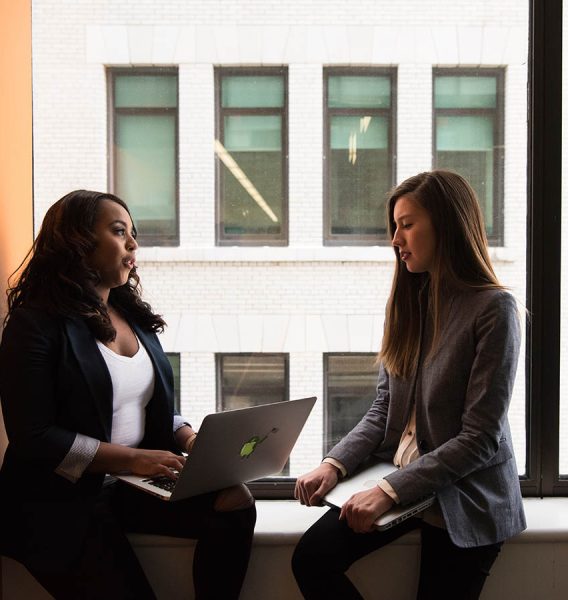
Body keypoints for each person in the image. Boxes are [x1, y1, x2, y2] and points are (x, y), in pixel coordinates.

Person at [0, 190, 256, 600]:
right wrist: (134, 458)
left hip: (124, 485)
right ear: (77, 241)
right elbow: (34, 436)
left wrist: (188, 436)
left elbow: (134, 405)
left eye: (132, 233)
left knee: (234, 501)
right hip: (56, 504)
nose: (133, 244)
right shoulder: (34, 325)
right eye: (119, 232)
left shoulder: (131, 316)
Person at [292, 170, 526, 600]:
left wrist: (388, 491)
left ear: (447, 223)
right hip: (403, 476)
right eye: (394, 226)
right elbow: (384, 409)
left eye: (407, 224)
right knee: (310, 558)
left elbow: (480, 439)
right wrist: (333, 464)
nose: (395, 239)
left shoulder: (495, 309)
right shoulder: (407, 304)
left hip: (464, 493)